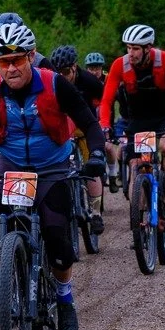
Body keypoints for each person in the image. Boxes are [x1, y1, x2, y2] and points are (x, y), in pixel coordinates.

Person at [0, 22, 106, 330]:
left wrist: (96, 154)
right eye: (3, 61)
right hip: (12, 165)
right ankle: (1, 282)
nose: (11, 67)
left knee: (57, 236)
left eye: (17, 60)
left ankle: (65, 297)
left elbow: (88, 123)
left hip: (52, 167)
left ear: (30, 57)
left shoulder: (55, 84)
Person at [98, 24, 165, 216]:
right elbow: (106, 100)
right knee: (135, 165)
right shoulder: (119, 65)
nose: (131, 53)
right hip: (138, 119)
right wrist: (105, 125)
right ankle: (138, 222)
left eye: (136, 48)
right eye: (129, 48)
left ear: (148, 48)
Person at [49, 45, 105, 234]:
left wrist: (102, 120)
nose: (62, 76)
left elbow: (105, 99)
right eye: (58, 72)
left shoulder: (89, 81)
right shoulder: (53, 81)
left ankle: (96, 213)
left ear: (74, 67)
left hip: (83, 127)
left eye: (66, 72)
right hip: (62, 129)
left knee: (91, 166)